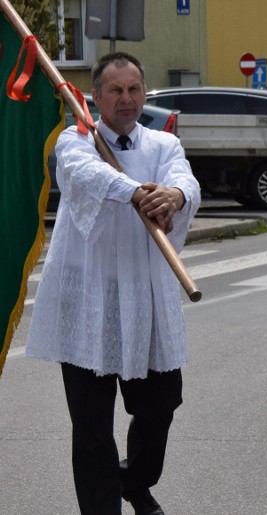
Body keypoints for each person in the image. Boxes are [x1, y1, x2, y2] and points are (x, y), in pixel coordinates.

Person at [25, 52, 201, 515]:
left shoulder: (164, 146)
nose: (126, 99)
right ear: (97, 96)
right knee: (90, 426)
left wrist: (176, 195)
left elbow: (185, 180)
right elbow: (85, 175)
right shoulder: (75, 139)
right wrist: (136, 191)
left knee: (161, 405)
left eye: (134, 89)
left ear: (145, 93)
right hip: (87, 300)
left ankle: (134, 479)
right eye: (116, 90)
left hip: (145, 297)